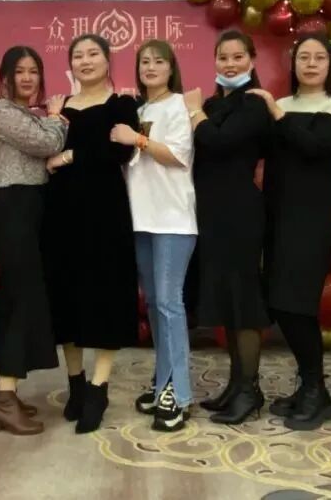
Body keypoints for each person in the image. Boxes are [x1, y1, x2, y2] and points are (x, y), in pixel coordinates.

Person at [249, 33, 331, 431]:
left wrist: (276, 114)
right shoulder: (283, 104)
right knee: (278, 304)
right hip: (276, 216)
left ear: (330, 66)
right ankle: (308, 386)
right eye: (303, 57)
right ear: (293, 65)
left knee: (299, 304)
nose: (310, 64)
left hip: (311, 219)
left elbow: (313, 147)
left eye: (319, 58)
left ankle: (316, 391)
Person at [43, 34, 140, 434]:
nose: (85, 61)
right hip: (60, 212)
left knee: (105, 296)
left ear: (107, 60)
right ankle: (76, 384)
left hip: (105, 212)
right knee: (66, 297)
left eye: (93, 54)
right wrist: (54, 126)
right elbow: (43, 152)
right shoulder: (60, 107)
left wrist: (70, 155)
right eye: (78, 55)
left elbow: (119, 152)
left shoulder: (123, 105)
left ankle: (99, 388)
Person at [185, 30, 272, 425]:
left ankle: (250, 390)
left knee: (244, 301)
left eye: (238, 57)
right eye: (223, 57)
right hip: (211, 213)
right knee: (226, 301)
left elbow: (219, 142)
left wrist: (195, 114)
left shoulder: (254, 103)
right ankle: (236, 385)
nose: (230, 64)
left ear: (252, 60)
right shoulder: (211, 103)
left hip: (240, 212)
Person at [0, 46, 67, 435]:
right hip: (8, 205)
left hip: (26, 206)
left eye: (34, 71)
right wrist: (57, 119)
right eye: (20, 71)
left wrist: (48, 123)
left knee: (15, 296)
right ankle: (5, 395)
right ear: (6, 76)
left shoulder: (26, 114)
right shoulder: (1, 111)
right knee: (22, 296)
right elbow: (47, 144)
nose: (28, 78)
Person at [112, 40, 196, 432]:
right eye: (144, 61)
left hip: (173, 220)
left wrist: (138, 139)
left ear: (171, 68)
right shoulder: (140, 110)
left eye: (158, 61)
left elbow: (178, 156)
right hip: (141, 219)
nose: (150, 67)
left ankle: (179, 394)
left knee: (168, 304)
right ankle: (163, 381)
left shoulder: (180, 105)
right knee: (155, 306)